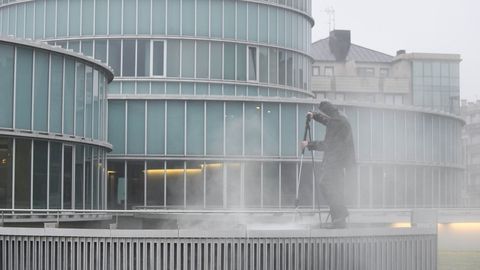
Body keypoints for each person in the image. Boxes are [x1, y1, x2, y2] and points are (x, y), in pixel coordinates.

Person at [301, 101, 355, 229]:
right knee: (334, 187)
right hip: (340, 161)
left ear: (328, 112)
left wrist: (309, 144)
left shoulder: (337, 122)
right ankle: (338, 218)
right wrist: (315, 116)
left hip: (335, 161)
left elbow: (328, 145)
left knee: (328, 185)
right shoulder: (339, 119)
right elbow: (329, 122)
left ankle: (340, 217)